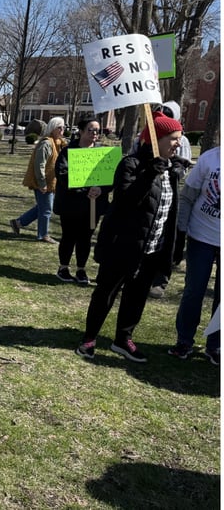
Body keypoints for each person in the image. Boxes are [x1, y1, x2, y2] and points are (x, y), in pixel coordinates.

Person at [75, 111, 185, 362]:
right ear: (157, 139)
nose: (178, 143)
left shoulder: (169, 169)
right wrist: (148, 175)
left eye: (179, 138)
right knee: (106, 293)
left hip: (152, 248)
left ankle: (123, 339)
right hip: (122, 245)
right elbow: (124, 201)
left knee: (136, 297)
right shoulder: (132, 164)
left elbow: (168, 212)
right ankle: (89, 337)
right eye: (174, 138)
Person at [167, 145, 220, 365]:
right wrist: (181, 232)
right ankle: (184, 340)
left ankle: (215, 345)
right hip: (201, 237)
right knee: (194, 290)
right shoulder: (209, 159)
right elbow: (187, 198)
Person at [53, 119, 110, 285]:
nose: (94, 134)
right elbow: (63, 175)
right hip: (71, 205)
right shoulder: (68, 152)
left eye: (97, 131)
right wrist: (85, 189)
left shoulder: (102, 153)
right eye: (90, 130)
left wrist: (101, 189)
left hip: (93, 206)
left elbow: (111, 177)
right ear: (81, 131)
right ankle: (63, 267)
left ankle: (81, 269)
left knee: (85, 238)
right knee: (69, 236)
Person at [148, 100, 193, 299]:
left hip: (170, 196)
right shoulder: (148, 135)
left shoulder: (181, 140)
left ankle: (160, 279)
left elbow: (183, 165)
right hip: (149, 194)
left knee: (168, 238)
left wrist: (176, 169)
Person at [9, 117, 67, 244]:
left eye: (64, 127)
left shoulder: (59, 143)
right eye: (60, 127)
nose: (63, 130)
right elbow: (39, 164)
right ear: (53, 128)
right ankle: (43, 235)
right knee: (46, 209)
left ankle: (17, 223)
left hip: (52, 181)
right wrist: (42, 183)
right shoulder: (46, 143)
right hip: (42, 182)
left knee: (42, 207)